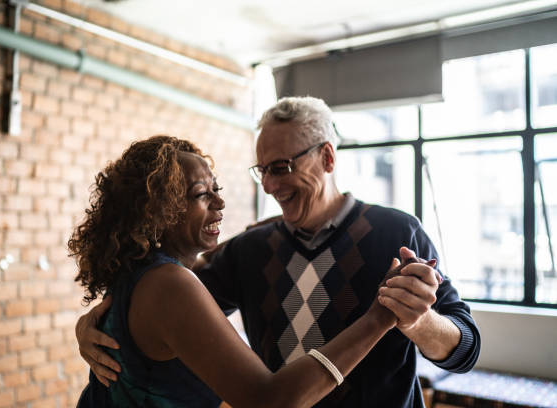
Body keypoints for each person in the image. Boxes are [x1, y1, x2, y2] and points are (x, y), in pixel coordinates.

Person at [76, 98, 481, 407]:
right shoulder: (250, 250)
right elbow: (165, 312)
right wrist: (92, 322)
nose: (269, 185)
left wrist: (419, 321)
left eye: (282, 167)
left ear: (327, 157)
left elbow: (465, 351)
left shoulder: (398, 232)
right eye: (263, 170)